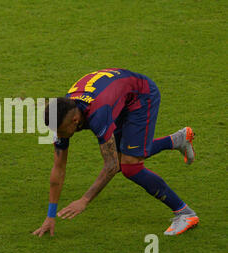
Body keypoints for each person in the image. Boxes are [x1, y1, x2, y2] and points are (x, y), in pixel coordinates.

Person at [33, 68, 199, 237]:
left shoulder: (98, 116)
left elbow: (112, 166)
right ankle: (177, 140)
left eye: (61, 131)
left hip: (142, 95)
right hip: (120, 97)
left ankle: (185, 213)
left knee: (129, 167)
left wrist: (84, 200)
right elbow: (58, 168)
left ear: (75, 120)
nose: (59, 136)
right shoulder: (63, 114)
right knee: (126, 156)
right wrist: (50, 216)